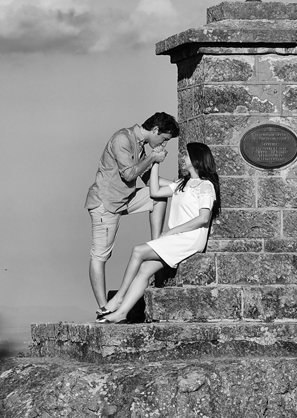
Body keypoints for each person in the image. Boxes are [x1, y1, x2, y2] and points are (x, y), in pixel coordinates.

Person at [100, 141, 221, 324]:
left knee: (138, 251)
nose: (183, 158)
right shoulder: (183, 183)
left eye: (186, 155)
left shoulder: (206, 186)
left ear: (196, 159)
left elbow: (203, 218)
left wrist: (171, 232)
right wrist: (156, 162)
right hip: (177, 237)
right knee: (144, 269)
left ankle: (119, 298)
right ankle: (121, 313)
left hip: (189, 238)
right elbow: (155, 191)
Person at [85, 112, 180, 323]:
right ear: (155, 130)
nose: (163, 144)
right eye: (164, 139)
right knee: (101, 255)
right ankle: (104, 308)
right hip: (106, 203)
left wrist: (179, 186)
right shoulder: (123, 139)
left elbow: (148, 180)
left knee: (157, 196)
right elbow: (128, 174)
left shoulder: (140, 144)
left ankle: (156, 245)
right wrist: (152, 158)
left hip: (125, 198)